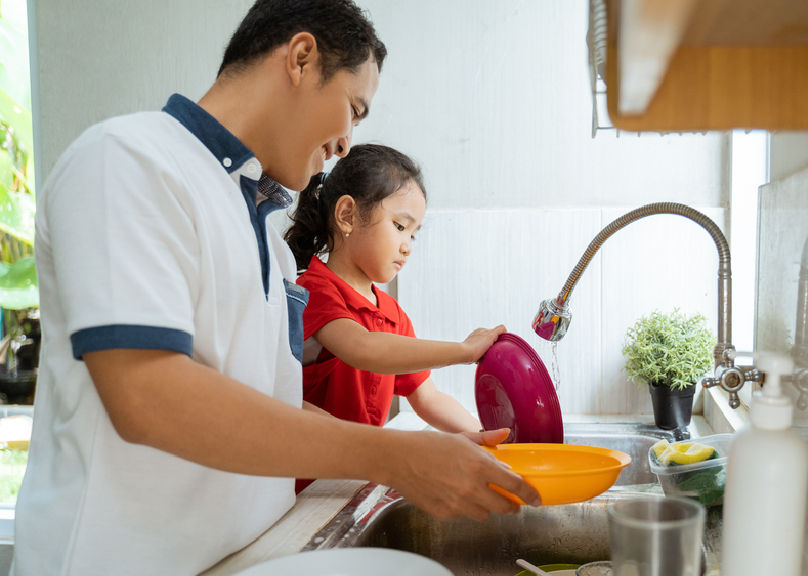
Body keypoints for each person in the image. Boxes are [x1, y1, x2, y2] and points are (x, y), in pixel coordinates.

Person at [12, 1, 539, 575]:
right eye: (353, 110)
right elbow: (147, 394)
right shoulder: (129, 159)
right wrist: (394, 454)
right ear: (302, 58)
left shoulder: (265, 230)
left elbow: (275, 406)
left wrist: (432, 454)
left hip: (244, 554)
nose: (346, 142)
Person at [285, 145, 501, 492]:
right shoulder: (314, 290)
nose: (407, 245)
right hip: (307, 488)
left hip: (352, 481)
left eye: (413, 234)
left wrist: (485, 440)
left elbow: (428, 398)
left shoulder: (392, 316)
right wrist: (463, 350)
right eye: (400, 226)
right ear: (347, 216)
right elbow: (362, 347)